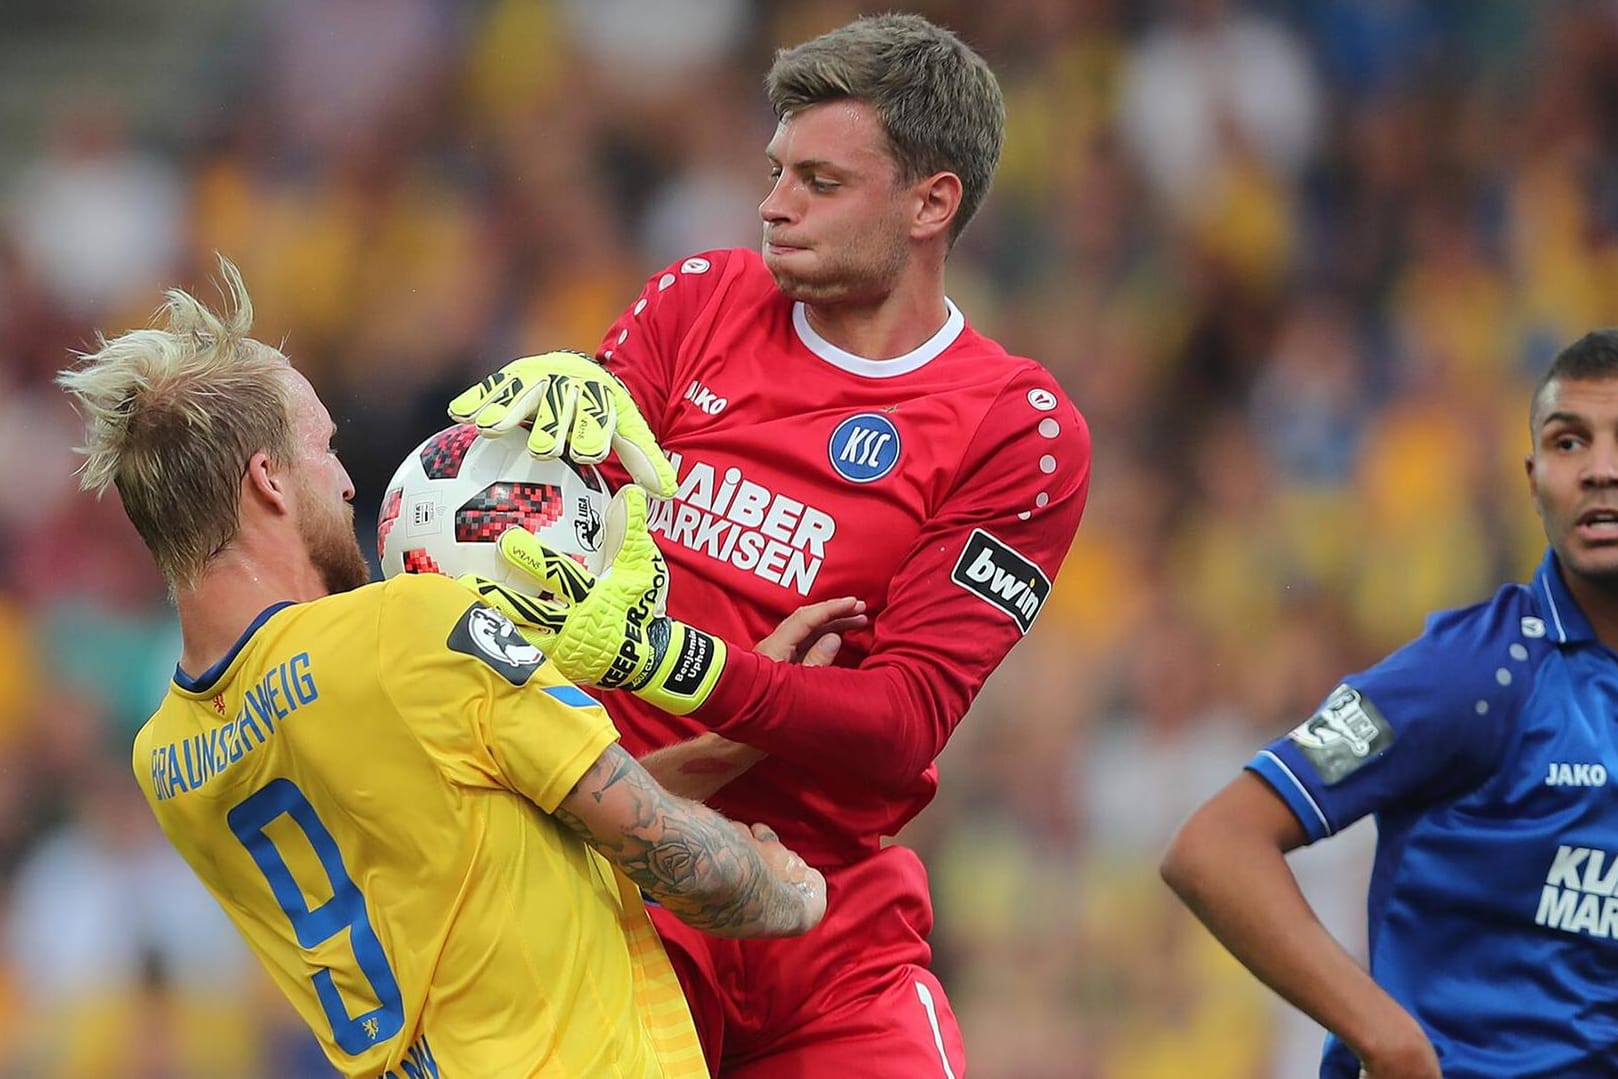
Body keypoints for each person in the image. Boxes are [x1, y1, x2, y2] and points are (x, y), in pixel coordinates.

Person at [449, 12, 1091, 1076]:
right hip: (618, 884)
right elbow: (526, 558)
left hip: (832, 925)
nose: (772, 203)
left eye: (819, 182)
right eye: (775, 169)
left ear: (931, 202)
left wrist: (671, 662)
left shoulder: (1014, 426)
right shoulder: (699, 299)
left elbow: (900, 720)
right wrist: (500, 458)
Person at [55, 259, 830, 1079]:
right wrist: (787, 888)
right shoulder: (409, 629)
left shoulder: (167, 757)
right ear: (269, 480)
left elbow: (513, 827)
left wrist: (734, 736)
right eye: (326, 447)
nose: (350, 480)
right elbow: (686, 861)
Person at [1160, 329, 1618, 1079]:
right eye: (1571, 443)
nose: (1602, 470)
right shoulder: (1476, 673)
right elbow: (1216, 846)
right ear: (1534, 480)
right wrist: (1387, 1036)